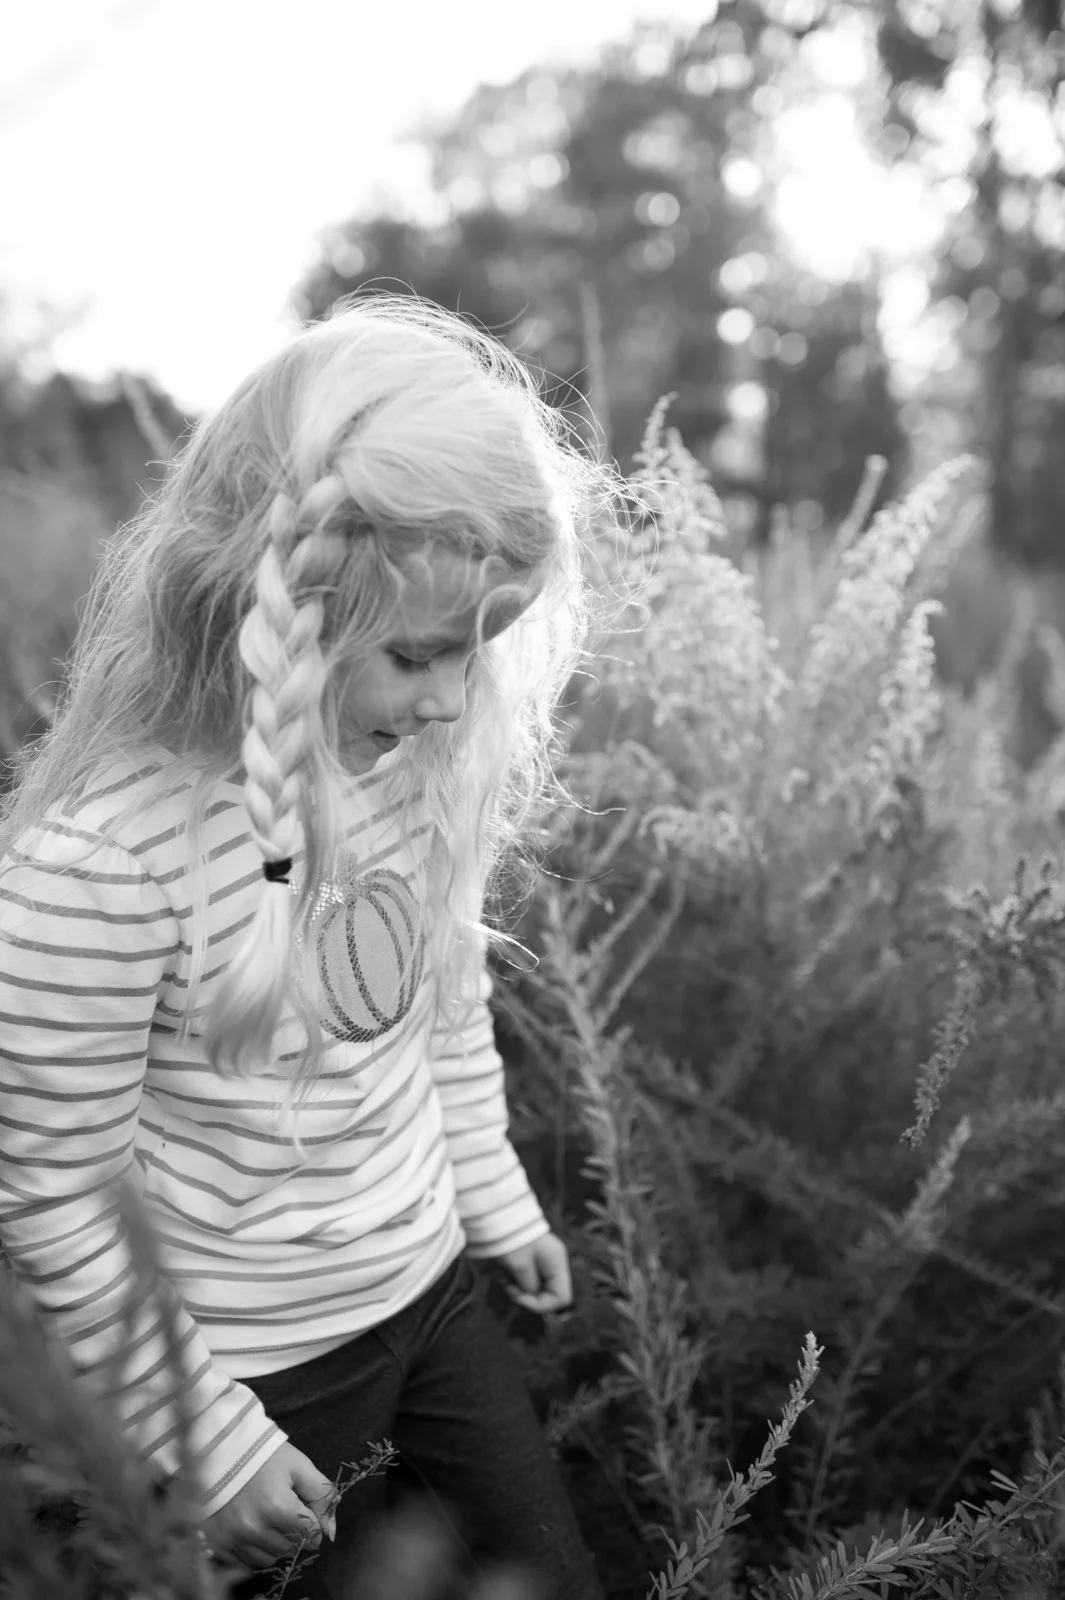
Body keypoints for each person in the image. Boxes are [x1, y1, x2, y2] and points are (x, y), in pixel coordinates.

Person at [0, 296, 615, 1599]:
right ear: (279, 601)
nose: (451, 700)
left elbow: (441, 1010)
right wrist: (208, 1444)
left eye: (476, 656)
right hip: (251, 1366)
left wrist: (492, 1194)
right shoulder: (109, 859)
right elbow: (54, 1190)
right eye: (417, 654)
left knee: (547, 1574)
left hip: (433, 1296)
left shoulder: (406, 771)